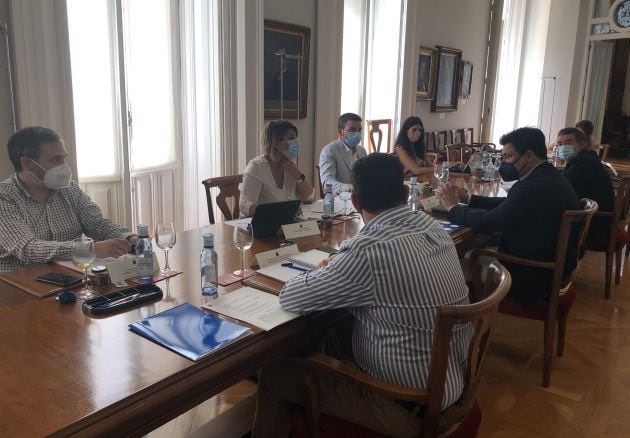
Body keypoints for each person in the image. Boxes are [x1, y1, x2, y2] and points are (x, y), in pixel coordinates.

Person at [252, 153, 471, 437]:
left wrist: (325, 268)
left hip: (405, 403)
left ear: (355, 201)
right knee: (333, 331)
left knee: (274, 375)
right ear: (405, 192)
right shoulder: (432, 227)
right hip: (449, 379)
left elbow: (291, 297)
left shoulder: (369, 250)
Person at [437, 127, 581, 305]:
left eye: (508, 157)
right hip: (551, 265)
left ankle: (463, 318)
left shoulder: (532, 186)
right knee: (477, 243)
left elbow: (489, 223)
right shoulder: (546, 175)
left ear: (529, 155)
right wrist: (469, 199)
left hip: (531, 274)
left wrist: (452, 207)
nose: (503, 163)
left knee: (448, 263)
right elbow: (510, 204)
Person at [0, 126, 135, 274]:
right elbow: (27, 248)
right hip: (20, 285)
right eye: (56, 159)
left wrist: (128, 238)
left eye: (64, 158)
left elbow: (97, 224)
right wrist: (90, 250)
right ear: (27, 163)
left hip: (70, 278)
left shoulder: (69, 188)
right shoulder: (4, 197)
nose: (64, 166)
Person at [240, 120, 314, 217]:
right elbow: (244, 205)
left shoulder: (290, 165)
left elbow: (309, 197)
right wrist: (279, 212)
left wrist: (299, 177)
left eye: (295, 138)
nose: (296, 142)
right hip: (266, 226)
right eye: (291, 138)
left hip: (290, 224)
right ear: (275, 142)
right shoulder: (256, 166)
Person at [558, 127, 614, 245]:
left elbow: (559, 188)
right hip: (595, 219)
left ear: (582, 144)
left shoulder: (582, 164)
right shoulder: (587, 158)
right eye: (560, 144)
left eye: (568, 142)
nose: (563, 147)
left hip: (593, 226)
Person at [319, 113, 367, 194]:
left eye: (359, 130)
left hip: (362, 199)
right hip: (340, 200)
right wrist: (348, 187)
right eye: (352, 130)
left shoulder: (362, 151)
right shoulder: (329, 150)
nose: (357, 133)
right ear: (340, 131)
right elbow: (327, 182)